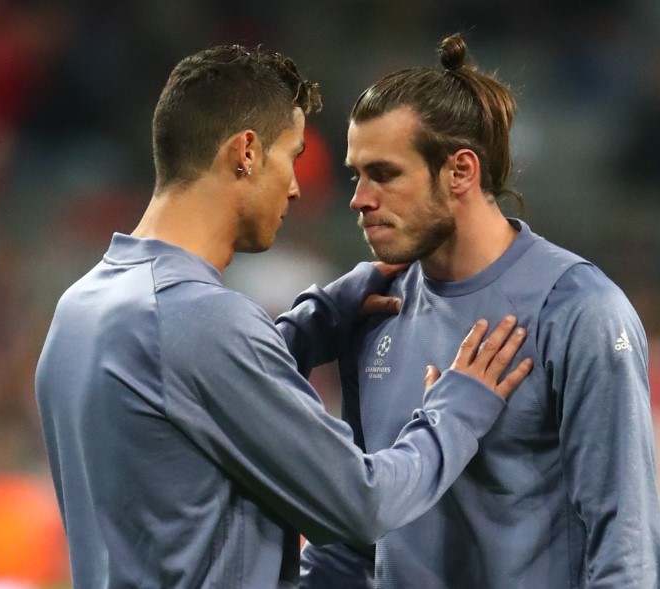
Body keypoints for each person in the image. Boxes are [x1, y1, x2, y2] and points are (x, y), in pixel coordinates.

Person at [34, 43, 534, 588]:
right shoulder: (199, 320)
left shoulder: (82, 307)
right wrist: (458, 406)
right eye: (292, 156)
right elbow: (363, 504)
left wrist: (306, 326)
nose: (295, 188)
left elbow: (183, 405)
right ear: (245, 152)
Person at [283, 34, 660, 588]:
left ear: (460, 172)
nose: (360, 199)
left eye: (384, 174)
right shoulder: (373, 311)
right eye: (356, 175)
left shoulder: (580, 311)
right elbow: (349, 542)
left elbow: (625, 549)